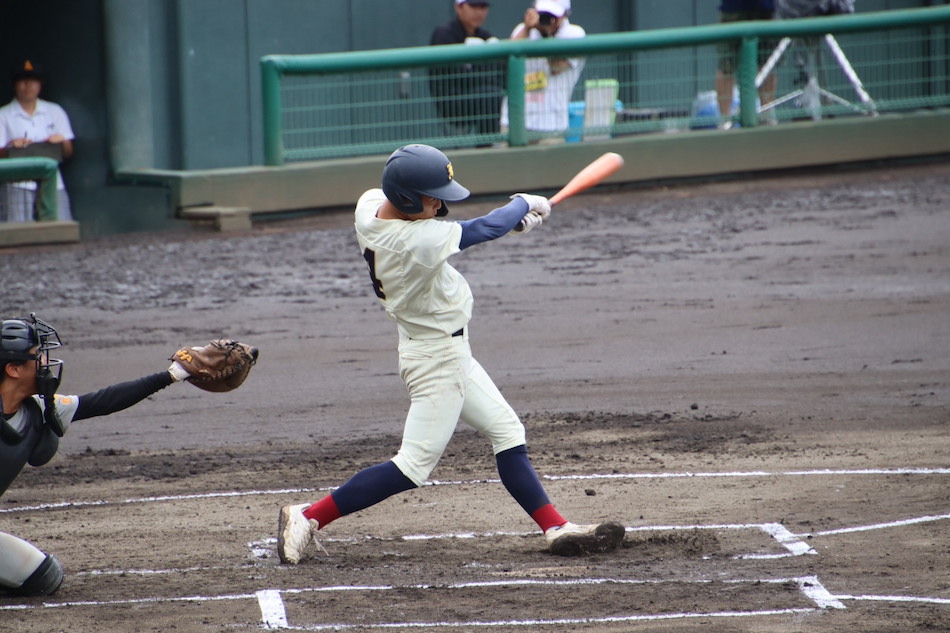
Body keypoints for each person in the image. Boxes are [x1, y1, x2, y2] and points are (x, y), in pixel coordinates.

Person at [277, 144, 625, 564]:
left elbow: (476, 228)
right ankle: (308, 516)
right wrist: (521, 204)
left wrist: (510, 222)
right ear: (406, 199)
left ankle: (555, 526)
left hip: (444, 350)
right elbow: (479, 230)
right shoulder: (415, 241)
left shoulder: (370, 206)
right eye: (432, 196)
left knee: (508, 433)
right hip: (437, 359)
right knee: (412, 466)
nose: (440, 202)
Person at [0, 314, 253, 596]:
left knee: (43, 577)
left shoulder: (36, 408)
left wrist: (172, 375)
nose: (47, 363)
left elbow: (103, 401)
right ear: (13, 369)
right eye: (38, 357)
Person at [499, 0, 586, 140]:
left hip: (551, 126)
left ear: (565, 15)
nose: (546, 19)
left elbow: (556, 67)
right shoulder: (522, 31)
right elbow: (505, 60)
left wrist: (546, 35)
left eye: (552, 15)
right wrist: (527, 29)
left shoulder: (575, 34)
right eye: (542, 13)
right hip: (514, 121)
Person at [0, 60, 75, 222]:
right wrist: (12, 147)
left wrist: (61, 142)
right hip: (17, 186)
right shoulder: (3, 114)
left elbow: (68, 151)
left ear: (40, 84)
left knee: (60, 231)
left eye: (33, 81)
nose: (28, 86)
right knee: (19, 235)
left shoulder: (54, 111)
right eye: (23, 81)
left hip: (53, 183)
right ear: (14, 85)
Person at [429, 1, 504, 140]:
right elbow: (453, 78)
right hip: (454, 103)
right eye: (474, 6)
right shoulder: (444, 35)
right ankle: (487, 147)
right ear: (459, 7)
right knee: (491, 95)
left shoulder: (485, 36)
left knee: (497, 94)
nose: (479, 12)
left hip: (483, 97)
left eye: (483, 7)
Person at [715, 1, 779, 128]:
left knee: (766, 65)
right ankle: (725, 120)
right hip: (733, 10)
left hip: (764, 10)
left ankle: (767, 116)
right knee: (726, 66)